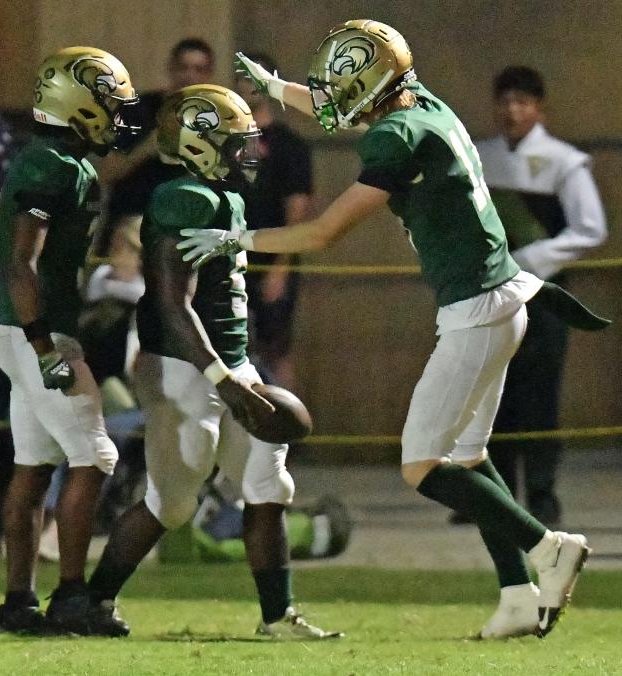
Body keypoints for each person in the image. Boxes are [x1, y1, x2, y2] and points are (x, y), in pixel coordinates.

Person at [178, 20, 603, 639]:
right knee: (469, 458)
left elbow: (322, 233)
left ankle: (547, 548)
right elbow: (338, 105)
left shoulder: (398, 138)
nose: (331, 100)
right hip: (503, 298)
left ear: (372, 88)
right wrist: (278, 86)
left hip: (477, 309)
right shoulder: (421, 100)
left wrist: (238, 239)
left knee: (422, 465)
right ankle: (517, 595)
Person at [84, 84, 344, 640]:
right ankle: (91, 600)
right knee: (173, 502)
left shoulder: (219, 196)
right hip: (185, 367)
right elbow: (171, 304)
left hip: (224, 362)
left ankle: (278, 616)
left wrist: (234, 369)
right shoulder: (184, 197)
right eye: (234, 141)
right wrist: (223, 379)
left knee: (267, 484)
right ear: (201, 144)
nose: (247, 151)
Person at [0, 46, 139, 636]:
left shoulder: (60, 162)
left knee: (33, 464)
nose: (118, 116)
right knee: (96, 455)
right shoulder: (51, 166)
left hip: (27, 328)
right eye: (109, 103)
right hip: (34, 329)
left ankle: (17, 603)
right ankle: (72, 594)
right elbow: (22, 263)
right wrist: (44, 343)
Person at [475, 66, 607, 526]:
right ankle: (497, 496)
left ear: (539, 108)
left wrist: (529, 259)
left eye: (523, 101)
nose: (512, 110)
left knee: (539, 395)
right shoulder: (478, 157)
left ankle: (543, 498)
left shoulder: (563, 161)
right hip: (488, 294)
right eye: (505, 101)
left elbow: (590, 228)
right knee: (492, 393)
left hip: (542, 294)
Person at [232, 52, 314, 388]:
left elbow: (298, 212)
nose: (248, 86)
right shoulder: (225, 141)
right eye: (242, 78)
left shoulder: (289, 145)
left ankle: (287, 431)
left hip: (272, 258)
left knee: (275, 348)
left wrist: (280, 267)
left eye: (255, 78)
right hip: (230, 254)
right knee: (229, 347)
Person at [96, 38, 216, 255]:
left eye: (199, 70)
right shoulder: (137, 111)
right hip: (131, 230)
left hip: (185, 234)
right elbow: (105, 172)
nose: (190, 76)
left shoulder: (217, 121)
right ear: (170, 69)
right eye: (183, 68)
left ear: (209, 76)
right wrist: (148, 147)